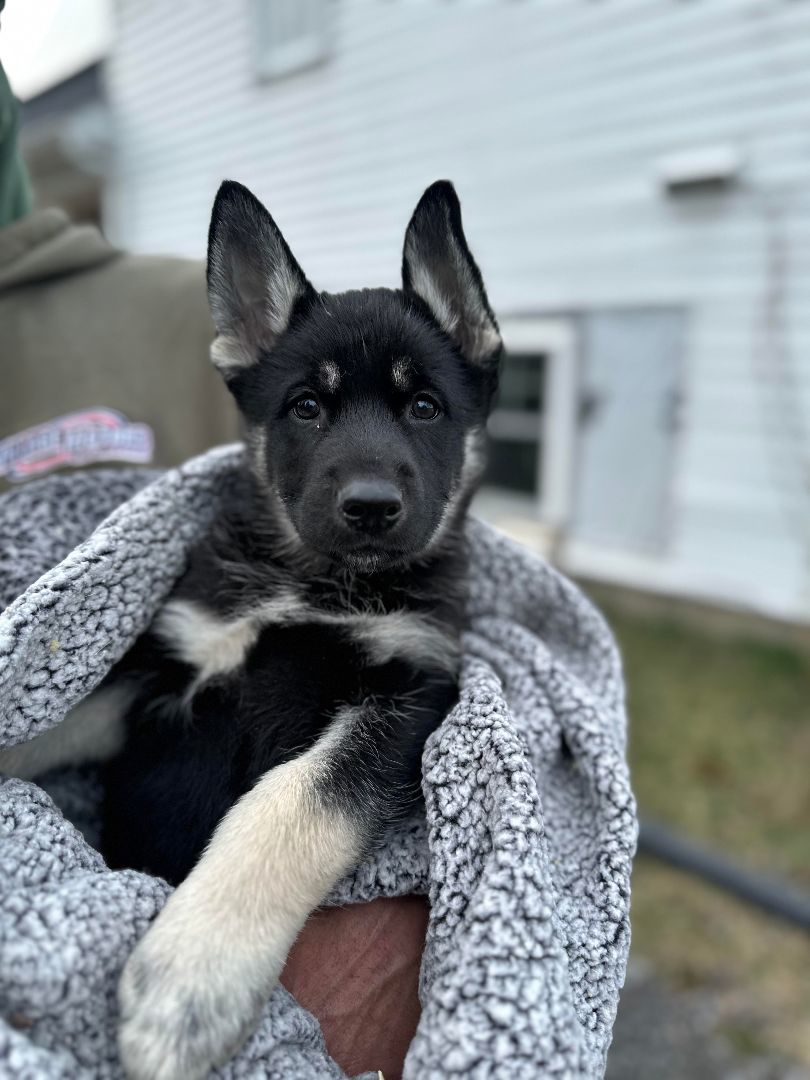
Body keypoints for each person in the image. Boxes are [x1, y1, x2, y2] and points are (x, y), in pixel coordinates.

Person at [0, 21, 427, 1076]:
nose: (367, 471)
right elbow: (74, 704)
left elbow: (436, 735)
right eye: (316, 412)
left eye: (418, 405)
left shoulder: (138, 319)